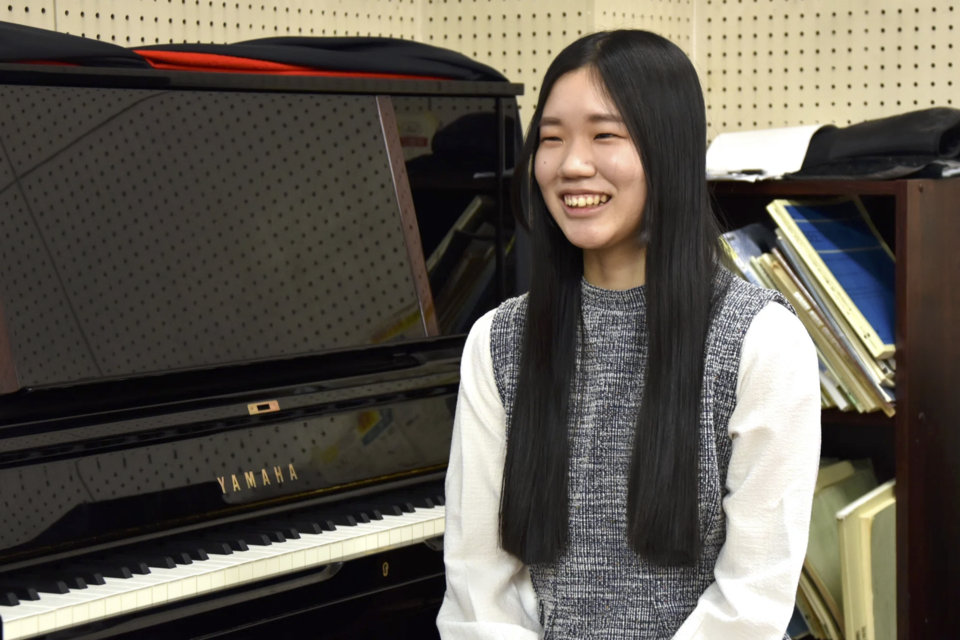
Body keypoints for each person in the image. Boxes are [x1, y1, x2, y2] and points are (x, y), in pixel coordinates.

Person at [436, 29, 821, 640]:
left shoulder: (762, 341)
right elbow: (479, 589)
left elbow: (750, 603)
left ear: (667, 150)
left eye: (604, 135)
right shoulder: (498, 340)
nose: (571, 165)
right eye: (552, 138)